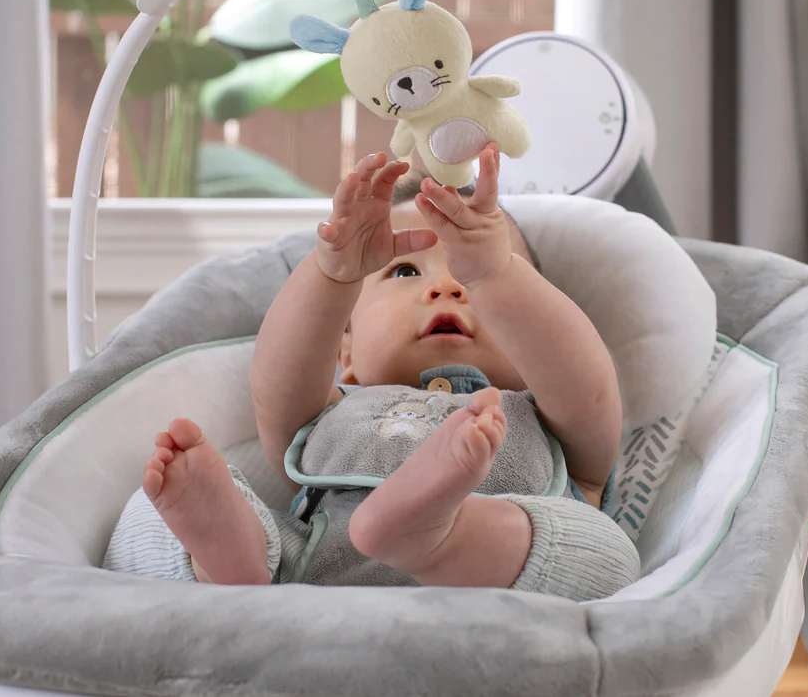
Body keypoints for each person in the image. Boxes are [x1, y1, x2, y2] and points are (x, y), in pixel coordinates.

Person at [105, 144, 639, 597]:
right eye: (404, 271)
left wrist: (495, 273)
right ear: (347, 354)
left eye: (469, 275)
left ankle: (442, 538)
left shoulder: (553, 417)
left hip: (500, 587)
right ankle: (235, 557)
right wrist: (333, 274)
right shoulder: (335, 411)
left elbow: (586, 382)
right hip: (311, 574)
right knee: (151, 512)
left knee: (605, 553)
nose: (446, 287)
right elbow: (276, 384)